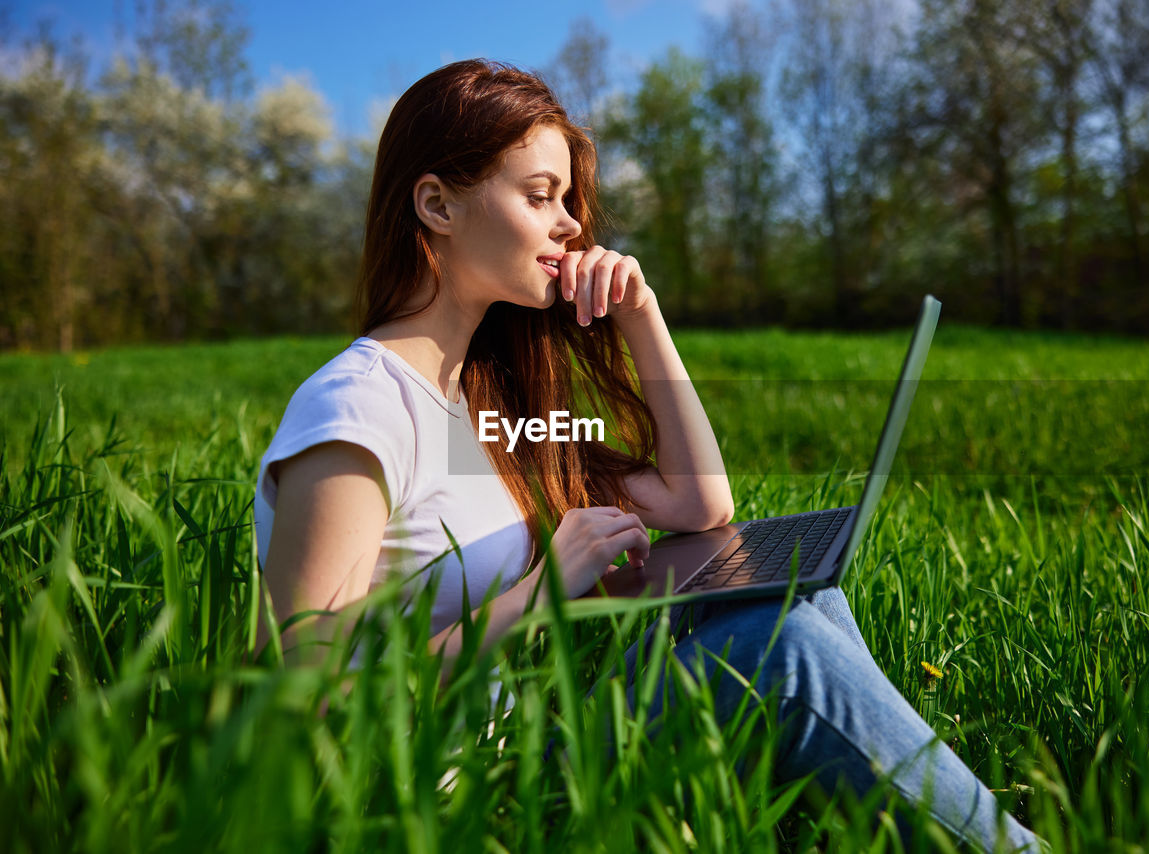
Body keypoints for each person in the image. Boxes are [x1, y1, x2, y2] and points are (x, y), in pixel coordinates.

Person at [252, 59, 1040, 853]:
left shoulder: (480, 404)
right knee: (782, 649)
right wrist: (541, 594)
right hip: (441, 814)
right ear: (437, 204)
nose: (569, 226)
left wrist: (642, 317)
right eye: (539, 196)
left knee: (798, 601)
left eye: (567, 201)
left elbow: (699, 506)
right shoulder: (357, 410)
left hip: (516, 755)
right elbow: (302, 698)